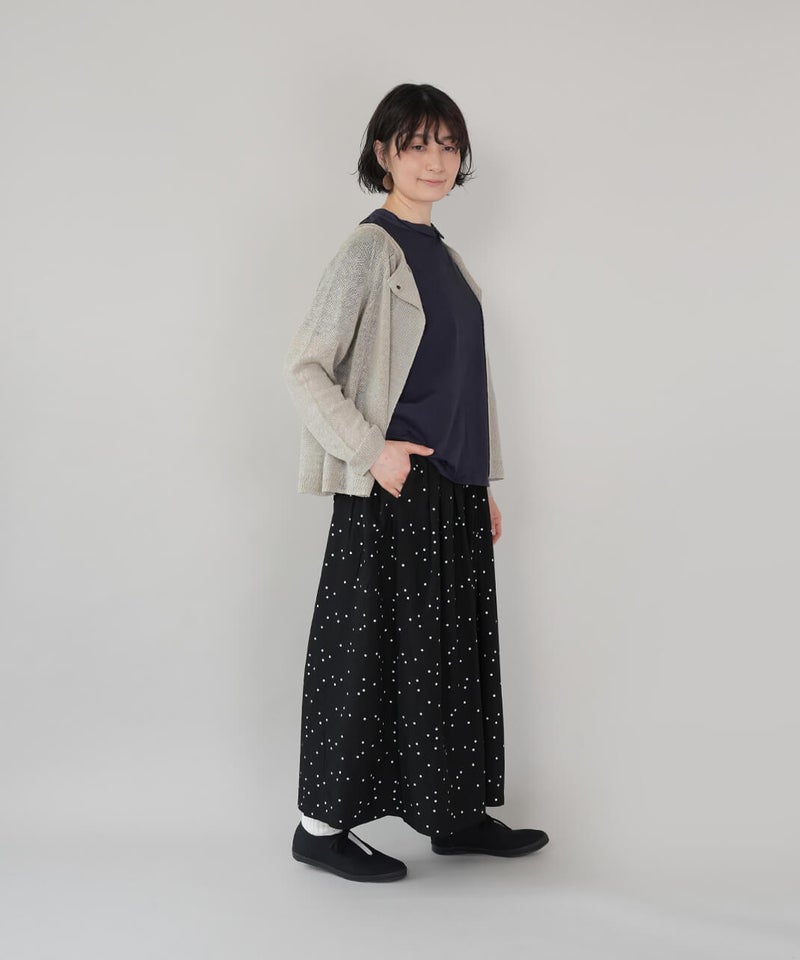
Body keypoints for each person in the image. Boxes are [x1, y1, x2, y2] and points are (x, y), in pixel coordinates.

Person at [283, 82, 549, 883]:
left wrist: (477, 479)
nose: (435, 161)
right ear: (383, 153)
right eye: (416, 145)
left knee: (450, 656)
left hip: (452, 489)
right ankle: (319, 829)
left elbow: (455, 383)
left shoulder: (446, 257)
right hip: (392, 488)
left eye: (448, 145)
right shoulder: (371, 250)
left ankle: (453, 813)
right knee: (366, 655)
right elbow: (305, 369)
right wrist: (374, 452)